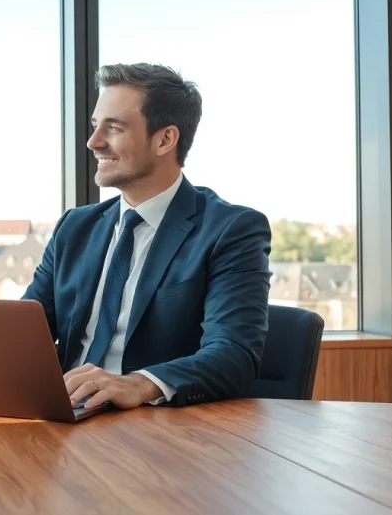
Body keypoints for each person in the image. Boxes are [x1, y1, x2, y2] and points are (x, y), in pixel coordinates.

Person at [22, 63, 272, 410]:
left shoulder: (230, 230)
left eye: (114, 128)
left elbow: (234, 353)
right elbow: (22, 335)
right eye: (96, 127)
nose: (93, 142)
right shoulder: (75, 228)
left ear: (165, 139)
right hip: (64, 415)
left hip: (158, 430)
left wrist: (139, 384)